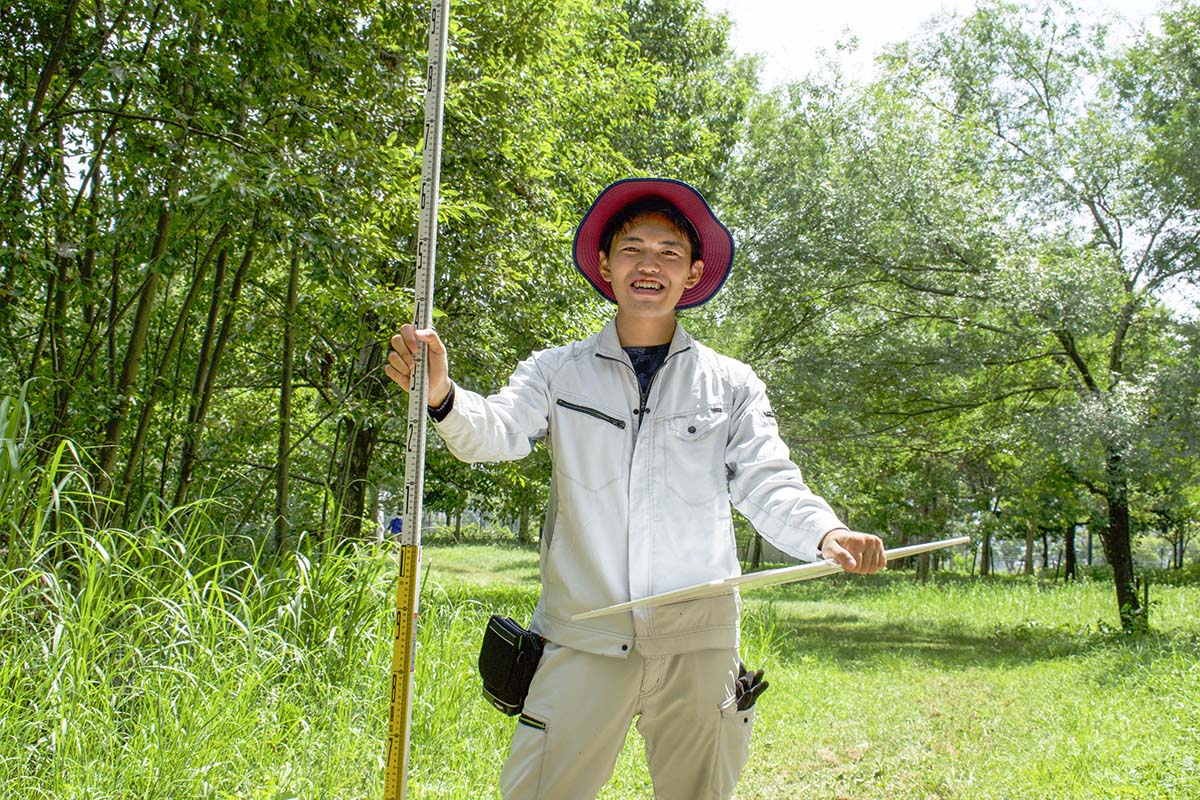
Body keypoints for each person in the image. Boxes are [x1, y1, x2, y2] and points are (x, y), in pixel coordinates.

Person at [385, 177, 885, 799]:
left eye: (669, 252)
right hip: (582, 634)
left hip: (697, 641)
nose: (649, 264)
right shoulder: (555, 371)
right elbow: (496, 432)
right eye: (633, 248)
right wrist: (441, 394)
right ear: (604, 264)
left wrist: (827, 533)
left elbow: (767, 480)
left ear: (694, 273)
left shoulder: (730, 384)